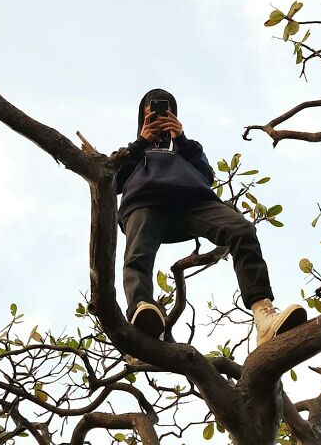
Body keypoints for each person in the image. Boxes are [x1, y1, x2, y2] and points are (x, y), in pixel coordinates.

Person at [115, 88, 306, 345]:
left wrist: (180, 139)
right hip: (144, 201)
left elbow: (206, 174)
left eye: (165, 111)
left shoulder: (187, 148)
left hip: (191, 201)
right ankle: (141, 309)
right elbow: (114, 181)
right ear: (142, 117)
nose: (159, 118)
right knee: (138, 254)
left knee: (241, 229)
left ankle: (264, 315)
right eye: (152, 113)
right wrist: (140, 143)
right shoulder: (133, 151)